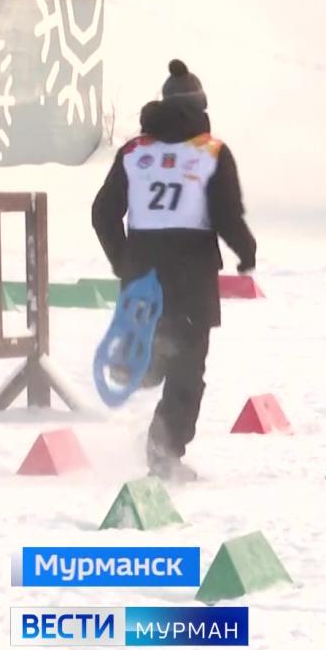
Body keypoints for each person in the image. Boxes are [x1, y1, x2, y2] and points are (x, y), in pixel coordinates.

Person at [92, 59, 258, 481]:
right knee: (188, 368)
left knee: (160, 348)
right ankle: (164, 453)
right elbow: (226, 214)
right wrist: (246, 250)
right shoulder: (212, 152)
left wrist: (123, 261)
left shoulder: (134, 151)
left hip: (143, 276)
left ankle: (143, 364)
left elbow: (102, 213)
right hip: (191, 278)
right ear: (201, 108)